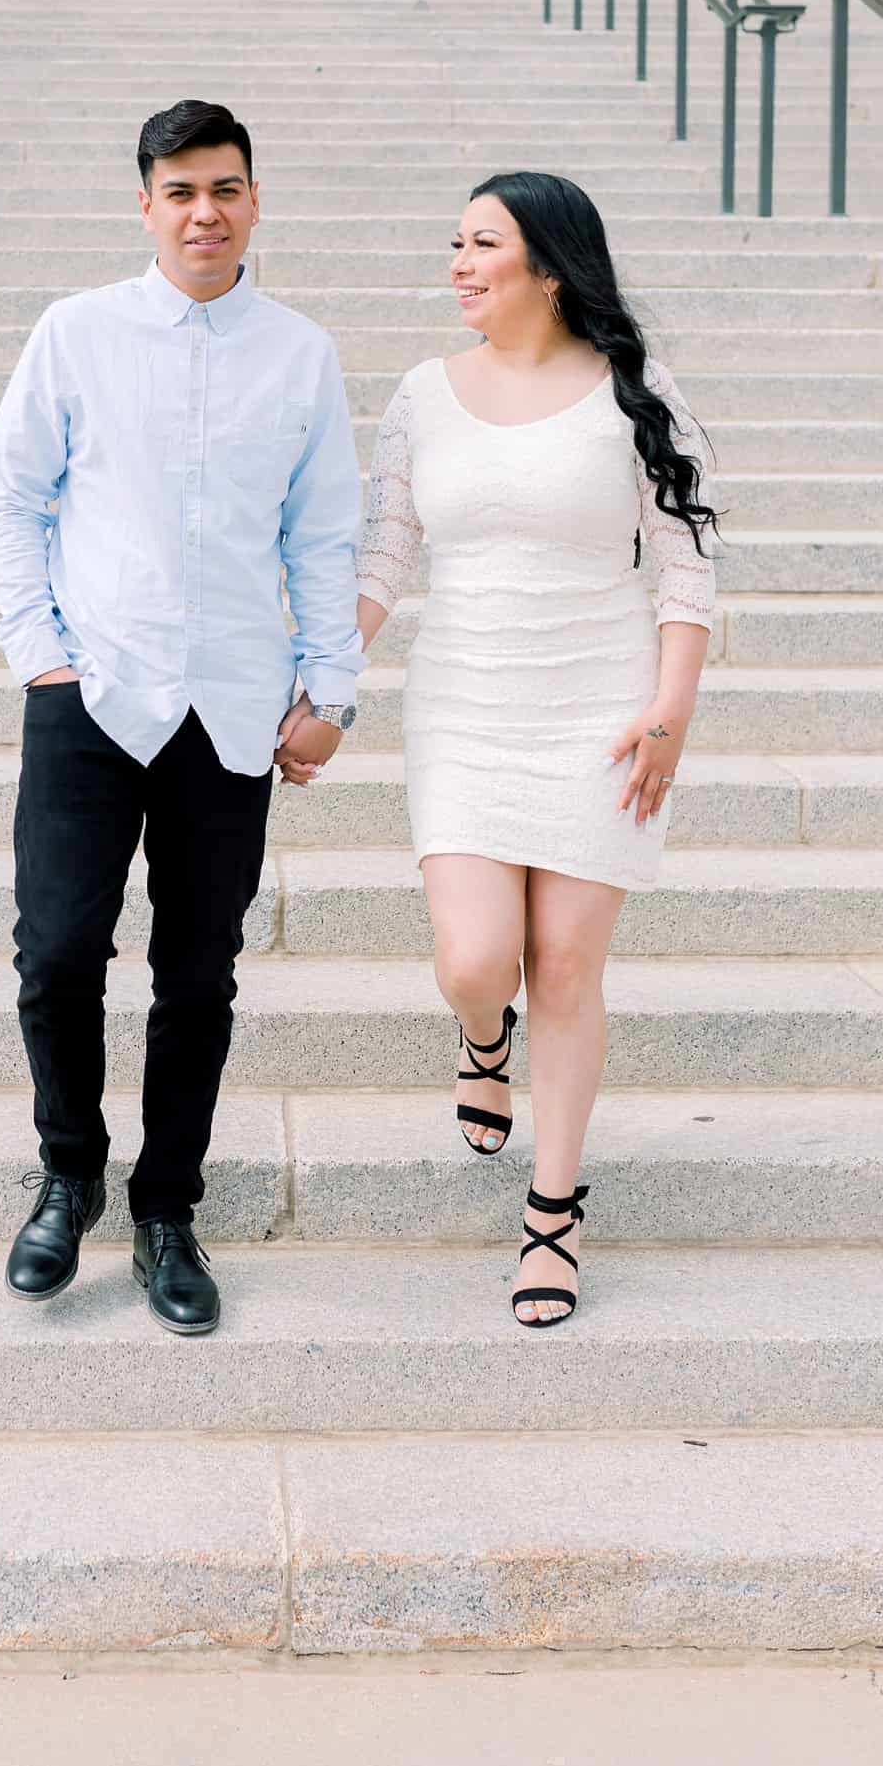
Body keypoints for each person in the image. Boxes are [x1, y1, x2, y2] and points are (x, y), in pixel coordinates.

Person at [0, 98, 363, 1336]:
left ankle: (166, 1210)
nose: (207, 212)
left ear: (256, 202)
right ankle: (68, 1171)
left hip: (232, 706)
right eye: (182, 190)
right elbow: (11, 497)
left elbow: (325, 534)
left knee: (197, 976)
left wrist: (331, 688)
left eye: (228, 189)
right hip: (92, 691)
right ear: (144, 203)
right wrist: (41, 658)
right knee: (55, 955)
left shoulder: (299, 353)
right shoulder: (76, 333)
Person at [355, 171, 717, 1329]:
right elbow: (384, 555)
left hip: (599, 707)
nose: (459, 264)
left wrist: (669, 714)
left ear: (548, 267)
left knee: (564, 962)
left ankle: (551, 1217)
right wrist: (317, 674)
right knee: (476, 959)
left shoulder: (633, 390)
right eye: (454, 242)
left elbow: (688, 564)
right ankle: (479, 1036)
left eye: (483, 245)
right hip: (463, 703)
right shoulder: (423, 393)